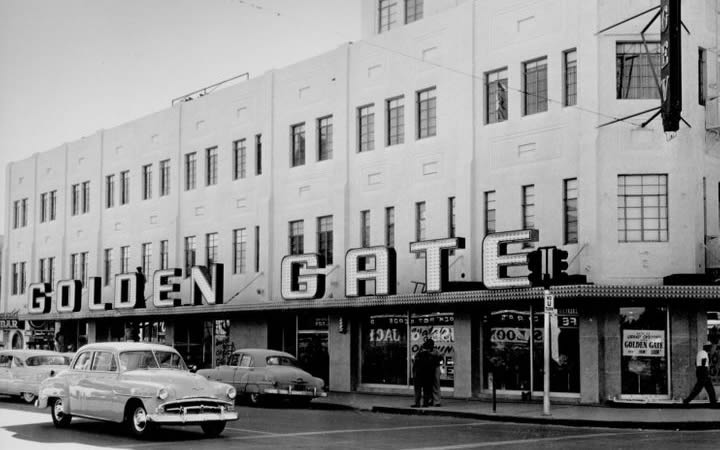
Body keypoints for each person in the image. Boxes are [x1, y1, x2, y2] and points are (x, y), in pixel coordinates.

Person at [411, 340, 435, 407]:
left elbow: (415, 365)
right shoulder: (430, 356)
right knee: (426, 390)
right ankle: (425, 403)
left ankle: (417, 403)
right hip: (427, 375)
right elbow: (432, 367)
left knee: (417, 390)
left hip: (418, 375)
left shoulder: (418, 355)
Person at [427, 339, 443, 407]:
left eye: (431, 344)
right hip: (430, 369)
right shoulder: (428, 351)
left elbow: (441, 357)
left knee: (436, 385)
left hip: (435, 368)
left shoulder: (436, 351)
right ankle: (431, 400)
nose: (430, 346)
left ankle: (437, 401)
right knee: (430, 385)